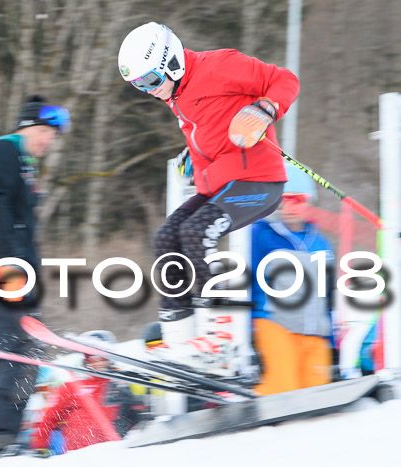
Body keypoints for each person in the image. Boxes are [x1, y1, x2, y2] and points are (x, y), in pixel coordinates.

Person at [117, 22, 300, 354]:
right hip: (218, 184)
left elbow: (283, 80)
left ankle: (220, 337)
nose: (149, 90)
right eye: (138, 85)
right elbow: (210, 124)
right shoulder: (175, 92)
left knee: (196, 231)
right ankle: (180, 337)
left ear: (171, 62)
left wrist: (265, 108)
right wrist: (194, 154)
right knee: (166, 238)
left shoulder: (219, 65)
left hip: (257, 180)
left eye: (150, 80)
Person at [0, 95, 70, 460]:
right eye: (45, 133)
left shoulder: (21, 161)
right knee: (25, 350)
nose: (49, 141)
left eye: (53, 136)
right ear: (28, 127)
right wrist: (11, 267)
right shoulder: (6, 151)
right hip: (1, 269)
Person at [250, 167, 335, 395]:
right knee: (284, 389)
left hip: (315, 331)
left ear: (309, 202)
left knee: (318, 393)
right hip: (275, 323)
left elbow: (327, 295)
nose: (290, 208)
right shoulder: (260, 235)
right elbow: (245, 279)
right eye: (284, 200)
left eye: (297, 200)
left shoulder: (321, 243)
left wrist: (332, 338)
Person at [29, 331, 141, 453]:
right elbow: (49, 418)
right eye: (92, 358)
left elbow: (136, 419)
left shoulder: (119, 385)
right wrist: (40, 446)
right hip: (78, 454)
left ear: (110, 358)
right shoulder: (72, 386)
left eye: (102, 357)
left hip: (111, 451)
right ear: (86, 360)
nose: (98, 362)